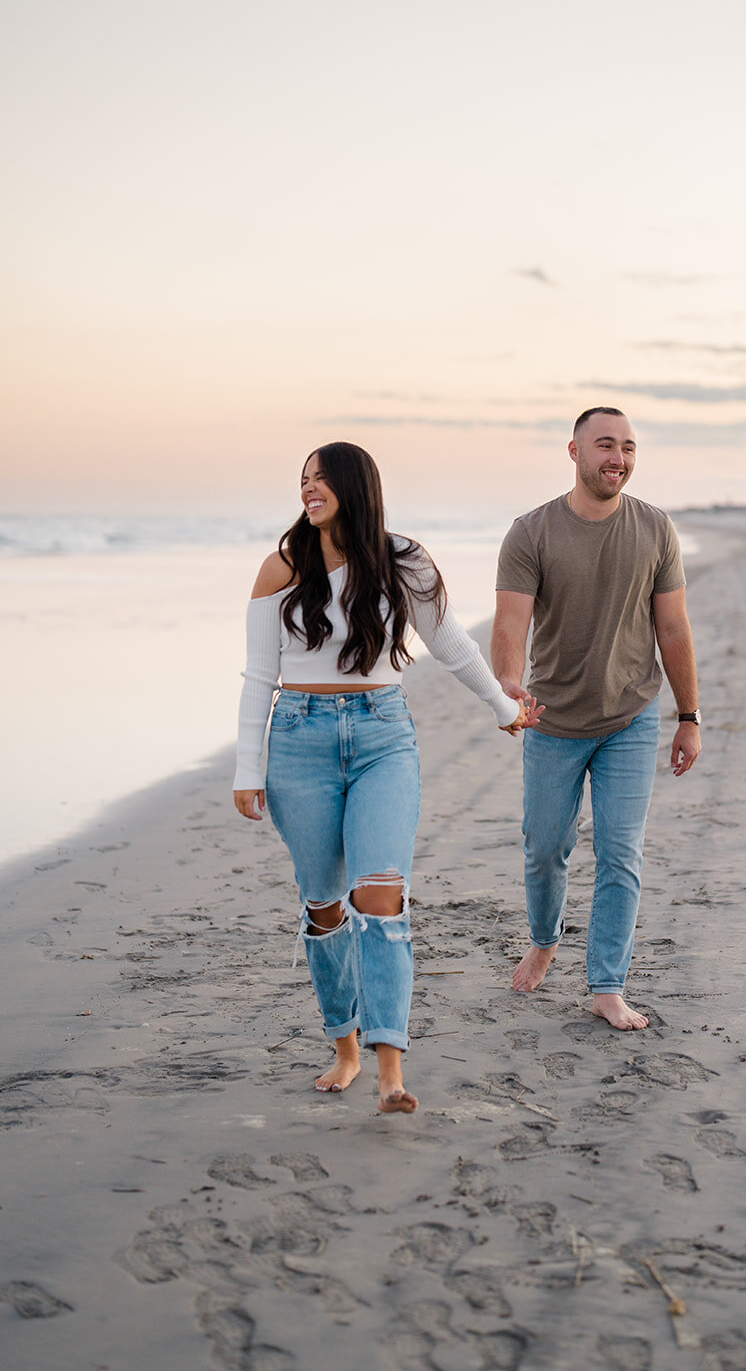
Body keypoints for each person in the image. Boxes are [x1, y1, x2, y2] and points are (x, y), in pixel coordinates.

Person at [234, 441, 537, 1112]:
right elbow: (258, 676)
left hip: (381, 737)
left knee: (380, 896)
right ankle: (344, 1050)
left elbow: (450, 642)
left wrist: (500, 707)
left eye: (319, 479)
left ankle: (391, 1070)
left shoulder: (404, 561)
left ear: (353, 485)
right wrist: (246, 770)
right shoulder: (281, 566)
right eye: (302, 481)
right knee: (323, 907)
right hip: (298, 743)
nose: (308, 490)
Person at [491, 407, 701, 1031]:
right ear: (574, 452)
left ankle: (607, 984)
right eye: (605, 445)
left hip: (629, 717)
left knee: (620, 852)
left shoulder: (656, 529)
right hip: (552, 719)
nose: (619, 458)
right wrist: (507, 685)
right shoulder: (532, 532)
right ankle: (545, 937)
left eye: (629, 447)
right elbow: (510, 622)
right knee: (546, 847)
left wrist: (688, 715)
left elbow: (673, 626)